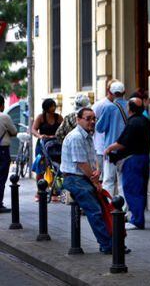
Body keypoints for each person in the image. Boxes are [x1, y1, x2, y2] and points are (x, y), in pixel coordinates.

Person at [60, 108, 112, 253]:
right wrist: (95, 181)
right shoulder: (76, 137)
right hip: (74, 179)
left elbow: (92, 158)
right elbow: (81, 163)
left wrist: (97, 171)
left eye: (94, 118)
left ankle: (111, 241)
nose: (92, 122)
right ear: (78, 119)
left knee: (104, 206)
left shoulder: (88, 136)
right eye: (88, 118)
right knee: (95, 210)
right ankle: (107, 245)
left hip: (83, 177)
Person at [104, 98, 150, 230]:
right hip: (144, 158)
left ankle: (136, 220)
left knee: (132, 189)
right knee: (141, 190)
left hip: (132, 160)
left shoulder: (132, 123)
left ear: (129, 109)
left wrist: (108, 149)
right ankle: (138, 217)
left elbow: (122, 143)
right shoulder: (146, 121)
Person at [95, 81, 128, 198]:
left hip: (111, 149)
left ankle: (109, 208)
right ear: (124, 92)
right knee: (123, 182)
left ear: (110, 92)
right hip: (126, 150)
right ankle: (124, 210)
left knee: (108, 180)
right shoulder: (130, 106)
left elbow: (99, 128)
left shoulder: (109, 107)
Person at [32, 98, 63, 201]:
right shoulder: (41, 117)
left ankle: (54, 192)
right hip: (42, 145)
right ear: (46, 108)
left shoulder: (58, 118)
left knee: (55, 167)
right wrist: (40, 136)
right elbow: (33, 129)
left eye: (54, 106)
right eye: (51, 106)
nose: (53, 108)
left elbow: (63, 129)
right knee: (40, 168)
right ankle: (39, 191)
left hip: (55, 145)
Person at [92, 79, 118, 181]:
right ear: (109, 90)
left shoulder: (118, 105)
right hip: (100, 146)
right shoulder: (100, 105)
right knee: (102, 177)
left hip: (113, 147)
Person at [0, 95, 17, 213]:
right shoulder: (4, 117)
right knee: (1, 177)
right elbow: (14, 131)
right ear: (1, 105)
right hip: (2, 150)